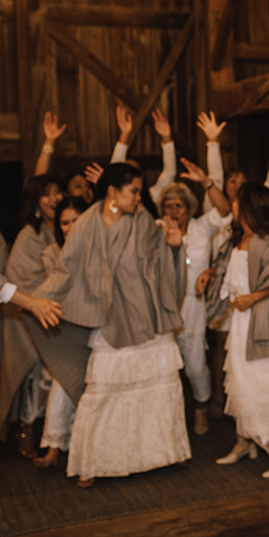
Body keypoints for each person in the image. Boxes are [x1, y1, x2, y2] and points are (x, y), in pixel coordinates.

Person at [31, 163, 190, 487]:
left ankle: (161, 454)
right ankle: (93, 462)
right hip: (111, 321)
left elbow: (159, 264)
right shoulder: (87, 224)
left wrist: (174, 247)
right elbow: (66, 269)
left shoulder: (143, 219)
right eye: (133, 190)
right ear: (113, 192)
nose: (138, 196)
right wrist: (36, 300)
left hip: (147, 319)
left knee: (158, 393)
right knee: (101, 397)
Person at [205, 183, 269, 479]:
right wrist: (206, 274)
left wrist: (255, 296)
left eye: (236, 201)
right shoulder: (236, 240)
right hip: (240, 324)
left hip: (260, 324)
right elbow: (225, 270)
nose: (231, 204)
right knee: (241, 382)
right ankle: (245, 439)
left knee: (264, 387)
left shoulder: (263, 242)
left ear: (248, 207)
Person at [203, 121, 269, 418]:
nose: (236, 190)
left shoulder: (260, 238)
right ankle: (240, 431)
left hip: (255, 313)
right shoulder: (231, 230)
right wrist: (211, 273)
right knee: (234, 370)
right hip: (232, 308)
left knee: (258, 378)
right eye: (234, 183)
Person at [157, 155, 231, 436]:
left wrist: (207, 182)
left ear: (189, 209)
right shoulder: (155, 228)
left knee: (196, 364)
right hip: (164, 305)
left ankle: (200, 410)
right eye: (168, 205)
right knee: (165, 364)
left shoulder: (202, 227)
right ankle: (169, 420)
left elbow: (224, 210)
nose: (173, 210)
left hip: (194, 303)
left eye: (179, 205)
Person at [0, 174, 63, 457]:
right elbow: (17, 275)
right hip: (25, 315)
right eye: (47, 194)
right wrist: (34, 303)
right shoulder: (29, 235)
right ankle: (25, 428)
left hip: (52, 310)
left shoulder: (65, 227)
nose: (55, 198)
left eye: (57, 192)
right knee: (37, 372)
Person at [34, 196, 88, 467]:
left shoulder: (99, 246)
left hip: (96, 324)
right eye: (65, 222)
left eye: (76, 220)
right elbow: (54, 292)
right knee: (62, 382)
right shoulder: (51, 253)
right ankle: (55, 447)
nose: (70, 227)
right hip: (67, 327)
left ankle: (85, 447)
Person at [110, 105, 176, 217]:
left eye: (135, 171)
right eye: (127, 171)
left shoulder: (153, 195)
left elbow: (170, 173)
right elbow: (113, 172)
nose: (132, 175)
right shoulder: (113, 199)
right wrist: (124, 136)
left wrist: (166, 139)